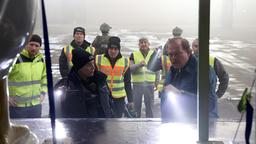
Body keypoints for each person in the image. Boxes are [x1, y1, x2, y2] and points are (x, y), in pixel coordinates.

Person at [161, 37, 218, 121]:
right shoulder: (172, 71)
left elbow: (210, 104)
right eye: (170, 54)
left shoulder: (203, 71)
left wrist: (181, 94)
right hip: (175, 124)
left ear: (188, 52)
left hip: (200, 124)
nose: (173, 58)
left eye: (177, 54)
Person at [60, 48, 112, 118]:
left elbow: (109, 102)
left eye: (93, 63)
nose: (93, 67)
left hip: (102, 126)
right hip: (80, 127)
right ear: (79, 67)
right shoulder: (67, 87)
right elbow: (58, 112)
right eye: (88, 65)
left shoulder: (101, 81)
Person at [8, 34, 47, 118]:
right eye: (31, 44)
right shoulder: (14, 58)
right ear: (26, 44)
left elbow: (44, 78)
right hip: (17, 107)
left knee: (35, 130)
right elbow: (2, 78)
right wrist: (5, 97)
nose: (34, 48)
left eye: (37, 45)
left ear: (40, 47)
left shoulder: (41, 59)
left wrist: (43, 93)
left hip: (35, 106)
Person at [95, 36, 134, 118]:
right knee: (104, 120)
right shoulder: (98, 59)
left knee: (117, 121)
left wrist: (130, 100)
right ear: (108, 48)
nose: (113, 51)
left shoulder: (125, 61)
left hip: (119, 97)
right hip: (103, 96)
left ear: (119, 49)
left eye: (115, 49)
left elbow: (127, 82)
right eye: (111, 48)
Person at [130, 37, 159, 118]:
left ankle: (150, 126)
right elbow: (130, 68)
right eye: (141, 42)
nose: (143, 44)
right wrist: (139, 65)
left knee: (150, 108)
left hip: (150, 84)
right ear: (139, 45)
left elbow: (157, 69)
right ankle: (135, 125)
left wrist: (157, 81)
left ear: (148, 44)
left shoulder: (154, 54)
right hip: (137, 84)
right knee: (136, 108)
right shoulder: (133, 54)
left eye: (145, 42)